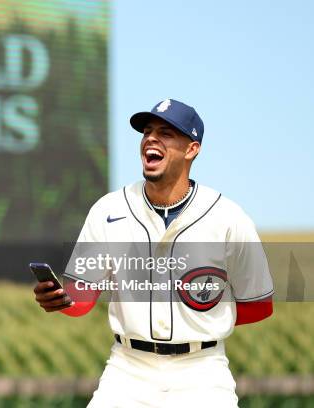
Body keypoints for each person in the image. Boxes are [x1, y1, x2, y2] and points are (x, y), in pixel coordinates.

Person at [33, 99, 273, 407]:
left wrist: (198, 319)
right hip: (128, 370)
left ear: (192, 149)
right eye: (147, 131)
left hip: (202, 373)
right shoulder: (109, 209)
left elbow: (259, 305)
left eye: (166, 132)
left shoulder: (228, 217)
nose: (151, 139)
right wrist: (59, 300)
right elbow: (82, 299)